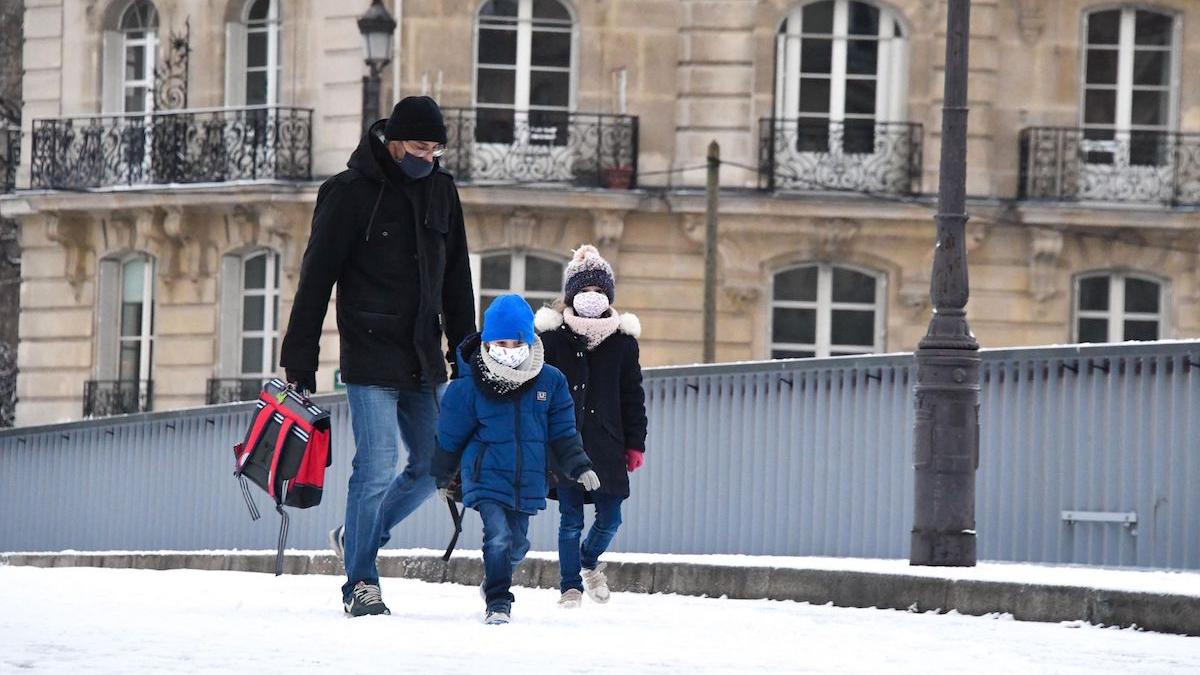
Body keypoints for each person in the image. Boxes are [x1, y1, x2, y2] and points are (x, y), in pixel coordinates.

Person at [278, 96, 475, 617]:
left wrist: (466, 353)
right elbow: (316, 279)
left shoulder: (442, 191)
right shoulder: (348, 193)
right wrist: (300, 359)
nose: (428, 158)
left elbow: (457, 277)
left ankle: (357, 537)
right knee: (376, 465)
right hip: (369, 355)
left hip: (423, 355)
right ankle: (361, 582)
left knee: (436, 466)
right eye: (419, 148)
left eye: (435, 150)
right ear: (394, 143)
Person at [432, 294, 600, 625]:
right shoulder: (470, 385)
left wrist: (580, 465)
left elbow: (563, 432)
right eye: (500, 343)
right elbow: (450, 435)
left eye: (515, 342)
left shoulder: (550, 381)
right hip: (485, 475)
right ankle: (498, 601)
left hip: (528, 478)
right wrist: (442, 475)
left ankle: (493, 580)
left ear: (528, 341)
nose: (508, 349)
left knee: (518, 544)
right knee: (497, 536)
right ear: (487, 342)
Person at [534, 244, 647, 608]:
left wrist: (635, 444)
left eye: (599, 290)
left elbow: (633, 396)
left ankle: (588, 560)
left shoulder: (623, 344)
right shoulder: (553, 340)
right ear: (571, 294)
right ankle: (570, 587)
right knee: (570, 520)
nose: (592, 296)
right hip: (566, 445)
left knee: (610, 518)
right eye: (584, 289)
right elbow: (540, 394)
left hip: (609, 445)